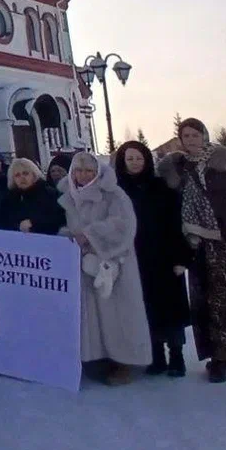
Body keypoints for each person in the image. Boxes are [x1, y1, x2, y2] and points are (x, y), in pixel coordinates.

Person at [158, 118, 226, 383]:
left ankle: (223, 358)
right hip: (196, 243)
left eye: (195, 135)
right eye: (186, 136)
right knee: (206, 300)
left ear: (204, 136)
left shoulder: (225, 164)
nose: (191, 140)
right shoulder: (178, 168)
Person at [58, 152, 152, 385]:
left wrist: (90, 235)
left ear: (97, 172)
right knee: (92, 315)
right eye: (78, 171)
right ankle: (98, 359)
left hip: (114, 262)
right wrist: (67, 237)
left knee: (118, 315)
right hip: (84, 263)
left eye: (89, 171)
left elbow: (123, 225)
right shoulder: (69, 196)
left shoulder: (113, 194)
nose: (83, 175)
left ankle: (125, 362)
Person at [114, 140, 192, 378]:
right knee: (144, 307)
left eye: (139, 158)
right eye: (130, 158)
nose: (135, 163)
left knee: (170, 308)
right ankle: (155, 355)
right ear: (122, 162)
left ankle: (176, 356)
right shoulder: (117, 191)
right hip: (134, 258)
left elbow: (176, 223)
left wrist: (180, 257)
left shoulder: (161, 187)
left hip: (164, 257)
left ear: (147, 160)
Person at [0, 158, 66, 235]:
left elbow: (60, 218)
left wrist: (34, 223)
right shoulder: (9, 199)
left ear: (34, 175)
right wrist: (17, 225)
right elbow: (2, 222)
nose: (22, 177)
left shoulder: (50, 194)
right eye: (17, 175)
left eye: (25, 173)